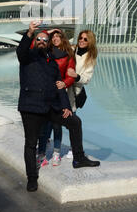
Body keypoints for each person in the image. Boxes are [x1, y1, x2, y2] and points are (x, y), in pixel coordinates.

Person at [16, 21, 100, 192]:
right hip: (31, 107)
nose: (41, 41)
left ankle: (78, 158)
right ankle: (32, 178)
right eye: (38, 39)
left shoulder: (52, 62)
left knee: (74, 122)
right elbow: (21, 50)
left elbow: (59, 85)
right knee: (31, 143)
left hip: (50, 107)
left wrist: (66, 106)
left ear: (48, 44)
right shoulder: (27, 57)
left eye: (44, 40)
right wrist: (31, 32)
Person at [37, 29, 76, 167]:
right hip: (45, 93)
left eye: (58, 36)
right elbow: (36, 40)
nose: (55, 39)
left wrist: (64, 82)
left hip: (59, 93)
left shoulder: (68, 55)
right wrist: (49, 30)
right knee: (44, 125)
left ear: (63, 38)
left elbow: (71, 74)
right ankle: (41, 153)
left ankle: (56, 154)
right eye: (53, 37)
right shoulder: (46, 52)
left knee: (57, 125)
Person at [66, 30, 98, 159]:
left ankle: (73, 148)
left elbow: (87, 79)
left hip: (74, 92)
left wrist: (76, 76)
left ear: (90, 41)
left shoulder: (90, 57)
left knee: (72, 122)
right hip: (62, 89)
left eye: (85, 39)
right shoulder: (71, 49)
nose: (82, 40)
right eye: (81, 38)